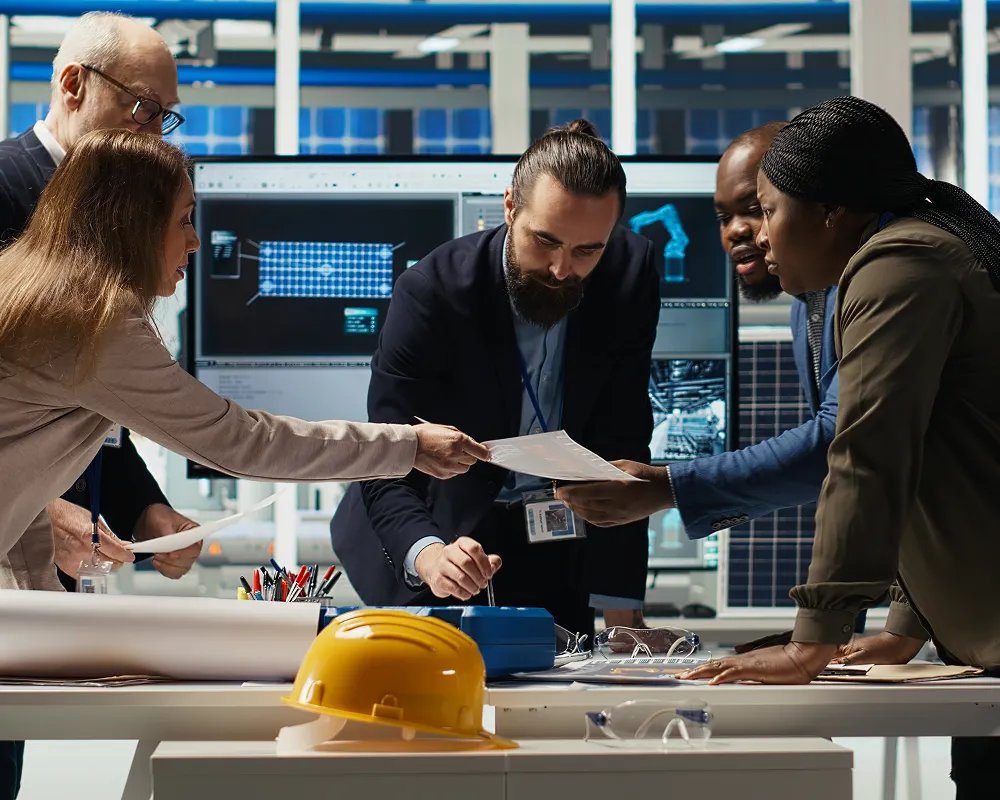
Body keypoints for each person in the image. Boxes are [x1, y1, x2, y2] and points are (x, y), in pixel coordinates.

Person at [670, 96, 1000, 798]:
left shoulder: (901, 265)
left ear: (831, 213)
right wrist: (907, 624)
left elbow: (869, 451)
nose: (758, 235)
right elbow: (937, 458)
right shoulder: (912, 251)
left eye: (768, 210)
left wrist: (812, 640)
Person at [0, 132, 486, 598]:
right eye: (184, 220)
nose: (194, 242)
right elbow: (241, 442)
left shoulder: (30, 286)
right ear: (134, 224)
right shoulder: (96, 325)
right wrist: (408, 445)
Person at [330, 119, 659, 642]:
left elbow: (622, 437)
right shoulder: (433, 292)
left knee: (558, 703)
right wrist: (430, 555)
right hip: (437, 532)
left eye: (586, 251)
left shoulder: (630, 272)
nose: (560, 269)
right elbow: (384, 458)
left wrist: (622, 611)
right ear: (509, 207)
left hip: (555, 536)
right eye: (544, 241)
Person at [556, 122, 843, 542]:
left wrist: (670, 486)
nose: (737, 231)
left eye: (756, 207)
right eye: (724, 217)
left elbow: (837, 444)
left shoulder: (870, 286)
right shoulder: (806, 307)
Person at [0, 11, 200, 591]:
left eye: (165, 116)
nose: (153, 132)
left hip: (68, 570)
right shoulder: (7, 193)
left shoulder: (114, 218)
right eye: (142, 107)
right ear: (72, 85)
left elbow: (90, 404)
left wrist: (143, 508)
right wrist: (39, 512)